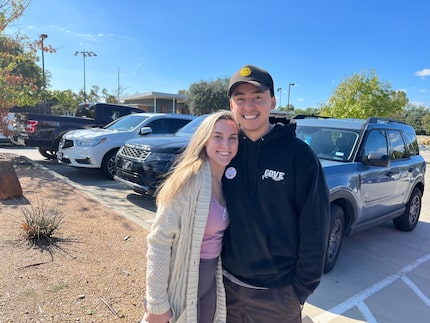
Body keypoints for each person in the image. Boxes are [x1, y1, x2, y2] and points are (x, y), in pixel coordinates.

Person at [221, 65, 330, 323]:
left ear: (272, 101)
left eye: (257, 98)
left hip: (277, 295)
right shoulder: (225, 152)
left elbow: (316, 227)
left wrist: (300, 290)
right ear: (232, 105)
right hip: (226, 287)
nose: (249, 107)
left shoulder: (299, 156)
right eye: (241, 99)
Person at [143, 110, 239, 323]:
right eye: (218, 137)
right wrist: (156, 302)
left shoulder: (227, 180)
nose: (226, 145)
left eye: (232, 138)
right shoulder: (188, 181)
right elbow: (159, 242)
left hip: (210, 278)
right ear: (204, 139)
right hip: (184, 279)